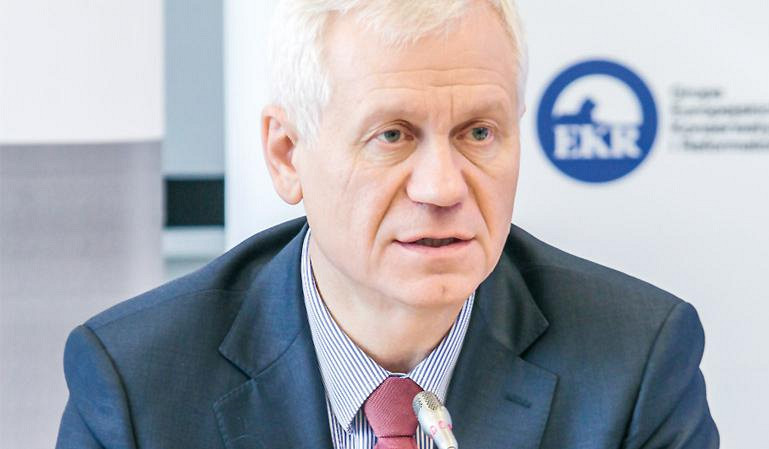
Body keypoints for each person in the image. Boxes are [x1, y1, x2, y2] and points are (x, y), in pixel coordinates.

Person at [56, 1, 719, 448]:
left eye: (478, 132)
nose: (442, 187)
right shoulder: (137, 383)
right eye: (392, 135)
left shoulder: (633, 363)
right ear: (287, 155)